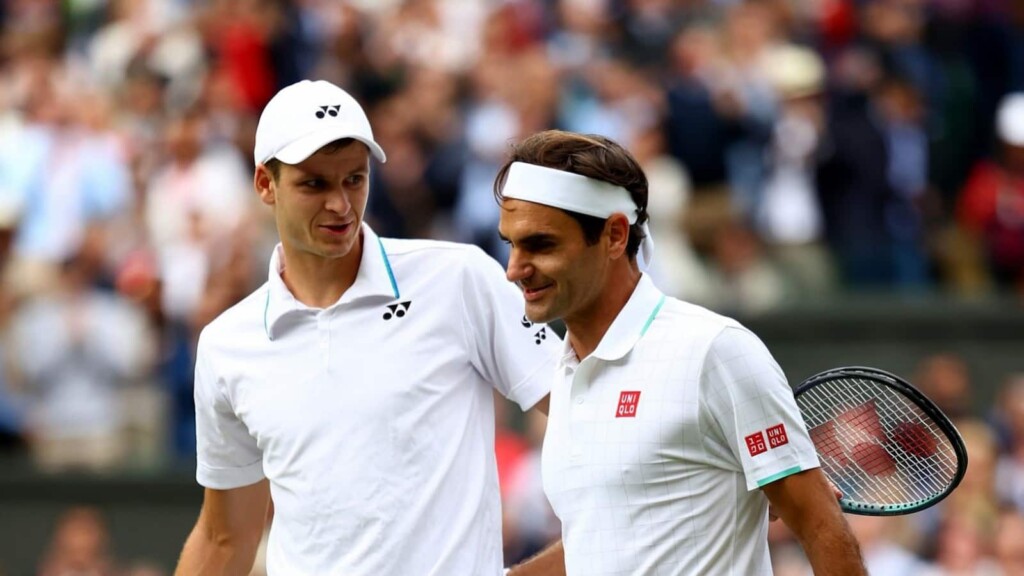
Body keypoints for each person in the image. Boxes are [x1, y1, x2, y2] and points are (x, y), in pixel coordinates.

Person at [175, 79, 560, 576]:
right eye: (315, 184)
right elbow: (225, 538)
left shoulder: (459, 278)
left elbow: (593, 417)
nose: (341, 205)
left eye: (354, 179)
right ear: (265, 185)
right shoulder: (227, 345)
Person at [494, 130, 866, 575]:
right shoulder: (566, 370)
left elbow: (819, 523)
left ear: (614, 235)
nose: (515, 269)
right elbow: (603, 541)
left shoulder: (715, 349)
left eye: (541, 244)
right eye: (511, 244)